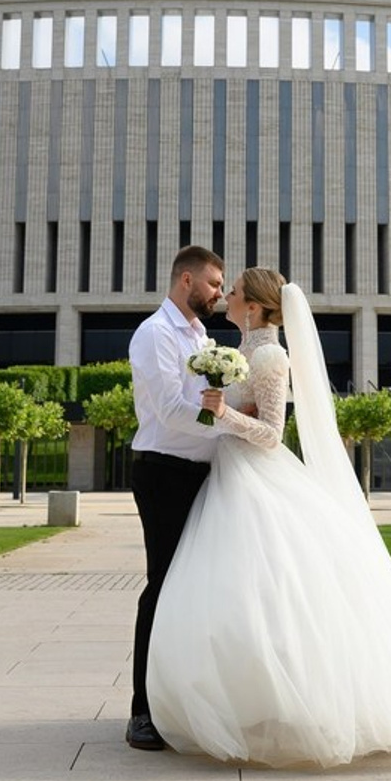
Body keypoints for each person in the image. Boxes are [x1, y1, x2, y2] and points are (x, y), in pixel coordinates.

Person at [145, 269, 391, 768]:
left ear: (253, 306)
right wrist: (215, 409)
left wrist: (223, 415)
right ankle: (253, 702)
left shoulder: (271, 356)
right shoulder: (238, 354)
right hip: (229, 479)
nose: (225, 297)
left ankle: (291, 703)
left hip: (258, 478)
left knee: (274, 595)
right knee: (238, 598)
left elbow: (273, 433)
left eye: (232, 292)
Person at [125, 245, 226, 751]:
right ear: (186, 280)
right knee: (162, 586)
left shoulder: (202, 335)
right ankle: (141, 711)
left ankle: (180, 702)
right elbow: (168, 409)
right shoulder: (155, 334)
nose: (219, 293)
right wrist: (226, 424)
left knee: (196, 590)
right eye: (212, 284)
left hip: (201, 471)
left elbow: (203, 402)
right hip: (163, 472)